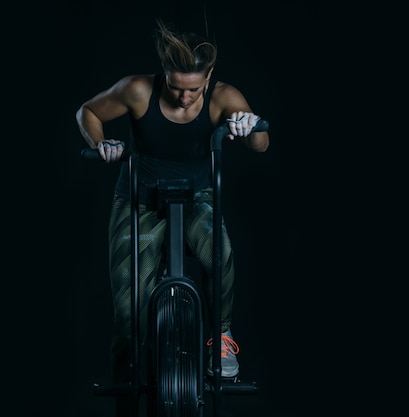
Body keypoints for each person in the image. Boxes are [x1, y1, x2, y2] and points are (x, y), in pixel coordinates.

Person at [76, 19, 269, 415]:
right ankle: (125, 396)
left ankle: (220, 334)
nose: (184, 97)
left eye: (194, 89)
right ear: (164, 73)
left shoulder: (223, 97)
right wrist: (103, 143)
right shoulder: (138, 90)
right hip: (138, 201)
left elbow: (262, 144)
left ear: (209, 77)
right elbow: (88, 112)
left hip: (196, 197)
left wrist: (249, 127)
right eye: (177, 86)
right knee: (129, 313)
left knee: (221, 254)